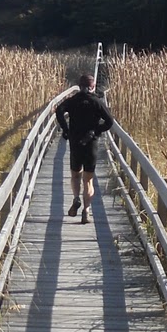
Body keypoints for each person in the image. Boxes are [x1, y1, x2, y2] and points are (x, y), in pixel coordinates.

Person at [55, 72, 113, 224]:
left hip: (75, 142)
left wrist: (65, 129)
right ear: (93, 87)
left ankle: (75, 198)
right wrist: (96, 130)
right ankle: (86, 210)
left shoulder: (73, 100)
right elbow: (109, 121)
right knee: (88, 180)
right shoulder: (97, 102)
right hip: (91, 143)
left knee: (75, 175)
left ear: (79, 87)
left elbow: (58, 110)